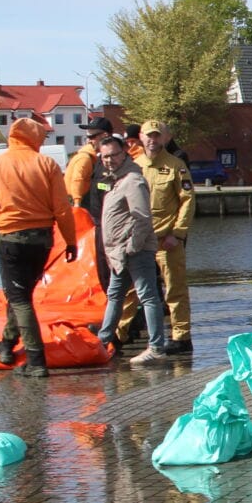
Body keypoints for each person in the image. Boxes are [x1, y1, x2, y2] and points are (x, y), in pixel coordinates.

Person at [0, 117, 78, 378]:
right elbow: (62, 209)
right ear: (34, 138)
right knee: (21, 295)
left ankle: (36, 360)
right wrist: (70, 240)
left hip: (11, 238)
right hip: (42, 240)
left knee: (19, 298)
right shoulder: (47, 164)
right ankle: (7, 345)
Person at [93, 136, 169, 367]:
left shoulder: (133, 180)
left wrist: (133, 247)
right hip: (119, 254)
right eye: (105, 156)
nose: (109, 160)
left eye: (114, 155)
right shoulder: (115, 180)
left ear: (124, 153)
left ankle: (156, 347)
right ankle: (103, 339)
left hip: (135, 251)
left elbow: (142, 217)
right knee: (115, 294)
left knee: (148, 296)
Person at [121, 120, 194, 354]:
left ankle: (181, 337)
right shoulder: (132, 167)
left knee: (175, 289)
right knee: (131, 289)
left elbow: (188, 200)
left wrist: (178, 233)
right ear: (140, 138)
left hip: (166, 240)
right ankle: (119, 334)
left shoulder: (176, 166)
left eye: (157, 135)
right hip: (139, 240)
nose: (152, 140)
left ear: (165, 137)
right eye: (148, 136)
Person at [67, 116, 116, 294]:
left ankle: (130, 314)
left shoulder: (113, 161)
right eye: (87, 137)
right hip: (96, 218)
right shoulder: (90, 159)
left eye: (92, 136)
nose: (89, 140)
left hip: (110, 223)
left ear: (104, 135)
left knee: (114, 269)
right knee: (103, 268)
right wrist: (78, 205)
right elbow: (79, 180)